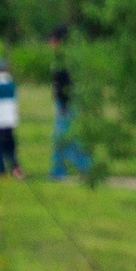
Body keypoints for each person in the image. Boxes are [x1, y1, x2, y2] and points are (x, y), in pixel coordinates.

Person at [48, 30, 89, 179]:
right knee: (64, 138)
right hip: (65, 103)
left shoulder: (63, 60)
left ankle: (82, 168)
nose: (50, 44)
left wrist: (63, 104)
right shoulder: (66, 58)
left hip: (66, 104)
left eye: (52, 40)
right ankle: (60, 170)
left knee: (64, 138)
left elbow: (67, 85)